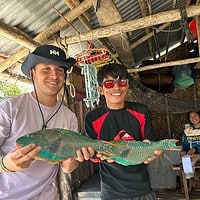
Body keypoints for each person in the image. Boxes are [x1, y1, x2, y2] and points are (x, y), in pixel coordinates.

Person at [0, 45, 94, 200]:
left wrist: (76, 157)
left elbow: (67, 167)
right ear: (32, 74)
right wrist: (5, 165)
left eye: (60, 70)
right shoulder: (9, 108)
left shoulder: (69, 116)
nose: (54, 75)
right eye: (46, 69)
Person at [85, 63, 163, 200]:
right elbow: (92, 153)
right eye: (109, 84)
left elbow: (150, 142)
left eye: (121, 82)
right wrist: (99, 155)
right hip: (111, 193)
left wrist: (154, 149)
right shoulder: (92, 118)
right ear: (100, 89)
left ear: (127, 85)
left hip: (142, 190)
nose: (116, 87)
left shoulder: (142, 112)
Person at [182, 111, 200, 191]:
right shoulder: (187, 131)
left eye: (195, 116)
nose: (193, 118)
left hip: (196, 152)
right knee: (186, 159)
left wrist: (195, 149)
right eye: (191, 117)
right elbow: (185, 144)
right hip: (193, 155)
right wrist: (184, 151)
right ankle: (191, 180)